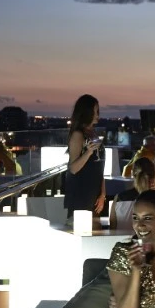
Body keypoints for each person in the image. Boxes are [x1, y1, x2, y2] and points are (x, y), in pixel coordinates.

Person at [63, 94, 105, 224]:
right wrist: (88, 152)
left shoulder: (93, 133)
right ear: (87, 112)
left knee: (95, 230)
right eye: (95, 111)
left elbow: (99, 167)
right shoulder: (78, 135)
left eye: (98, 111)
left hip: (94, 195)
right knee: (82, 229)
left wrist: (103, 193)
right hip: (81, 194)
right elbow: (73, 168)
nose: (97, 114)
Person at [108, 157, 155, 231]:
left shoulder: (118, 198)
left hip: (121, 238)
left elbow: (112, 229)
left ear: (132, 173)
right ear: (153, 176)